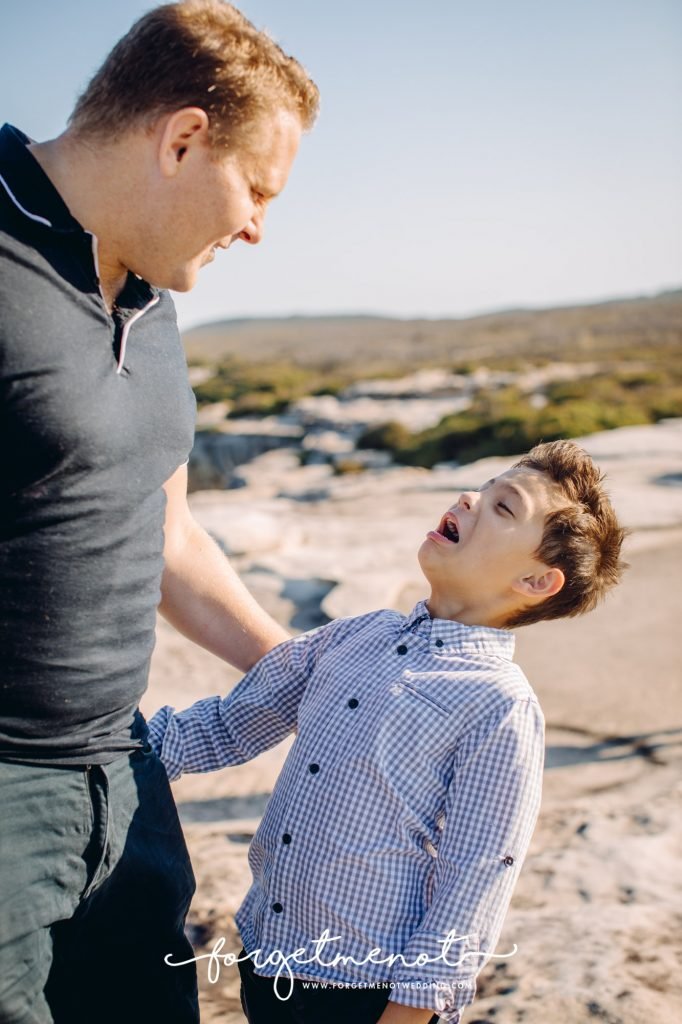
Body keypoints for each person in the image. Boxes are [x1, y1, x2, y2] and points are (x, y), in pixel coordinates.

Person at [0, 3, 318, 1022]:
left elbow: (167, 529)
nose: (261, 227)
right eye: (258, 190)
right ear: (181, 139)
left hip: (129, 780)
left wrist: (313, 675)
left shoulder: (153, 292)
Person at [149, 439, 627, 1023]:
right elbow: (228, 726)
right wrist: (108, 747)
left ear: (534, 582)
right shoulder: (354, 636)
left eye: (503, 508)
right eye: (483, 488)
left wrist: (407, 1015)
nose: (469, 498)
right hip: (266, 959)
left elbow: (473, 882)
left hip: (366, 994)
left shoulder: (498, 704)